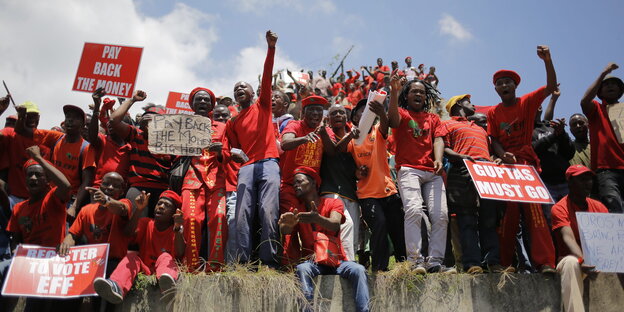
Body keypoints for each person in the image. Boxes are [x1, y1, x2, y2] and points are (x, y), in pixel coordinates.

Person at [487, 45, 558, 273]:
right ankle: (506, 264)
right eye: (500, 83)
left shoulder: (527, 102)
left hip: (527, 166)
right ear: (496, 89)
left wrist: (547, 60)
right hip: (507, 168)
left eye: (508, 81)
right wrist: (501, 154)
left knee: (535, 214)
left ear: (515, 86)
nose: (504, 85)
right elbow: (494, 139)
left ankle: (545, 262)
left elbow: (549, 87)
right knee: (508, 216)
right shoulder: (493, 113)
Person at [225, 30, 281, 267]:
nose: (239, 89)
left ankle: (269, 262)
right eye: (236, 88)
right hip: (247, 168)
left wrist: (270, 48)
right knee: (242, 216)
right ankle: (243, 263)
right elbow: (232, 151)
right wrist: (232, 154)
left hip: (269, 163)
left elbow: (267, 76)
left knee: (268, 212)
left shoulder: (263, 105)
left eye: (243, 87)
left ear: (252, 92)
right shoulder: (232, 122)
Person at [279, 167, 369, 312]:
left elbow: (334, 224)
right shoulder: (297, 210)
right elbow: (287, 231)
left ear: (313, 183)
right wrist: (285, 227)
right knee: (302, 268)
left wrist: (317, 218)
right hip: (313, 263)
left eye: (300, 181)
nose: (296, 185)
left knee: (358, 269)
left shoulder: (332, 202)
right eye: (294, 183)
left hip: (337, 261)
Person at [387, 75, 450, 273]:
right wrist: (394, 91)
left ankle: (435, 262)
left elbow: (439, 140)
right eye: (414, 91)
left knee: (441, 216)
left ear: (426, 97)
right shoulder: (403, 113)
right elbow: (392, 120)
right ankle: (415, 261)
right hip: (409, 170)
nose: (419, 94)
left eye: (422, 92)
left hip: (432, 172)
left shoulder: (434, 118)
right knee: (413, 211)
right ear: (407, 95)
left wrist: (438, 158)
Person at [443, 94, 508, 274]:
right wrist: (460, 157)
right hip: (462, 171)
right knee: (467, 219)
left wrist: (495, 159)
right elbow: (444, 148)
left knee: (489, 218)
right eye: (468, 101)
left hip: (486, 172)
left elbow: (489, 151)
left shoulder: (479, 128)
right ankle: (472, 263)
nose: (473, 104)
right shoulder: (447, 124)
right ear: (458, 104)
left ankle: (493, 262)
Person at [344, 99, 406, 272]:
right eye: (360, 112)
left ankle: (404, 265)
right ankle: (379, 268)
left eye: (368, 112)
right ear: (354, 118)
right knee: (379, 225)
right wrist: (356, 172)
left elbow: (385, 126)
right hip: (367, 194)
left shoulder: (378, 131)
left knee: (397, 227)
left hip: (388, 190)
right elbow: (345, 163)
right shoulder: (351, 139)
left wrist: (381, 113)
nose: (365, 115)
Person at [93, 190, 185, 304]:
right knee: (132, 256)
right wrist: (139, 209)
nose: (161, 207)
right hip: (145, 268)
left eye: (167, 205)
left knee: (165, 256)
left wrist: (177, 228)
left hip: (164, 272)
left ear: (173, 213)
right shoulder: (146, 223)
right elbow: (127, 233)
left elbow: (180, 252)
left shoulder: (175, 230)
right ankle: (116, 287)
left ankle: (168, 288)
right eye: (159, 203)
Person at [279, 95, 333, 264]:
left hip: (312, 190)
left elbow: (332, 152)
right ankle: (290, 265)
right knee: (292, 222)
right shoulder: (294, 125)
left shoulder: (326, 130)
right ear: (303, 113)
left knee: (311, 226)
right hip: (290, 186)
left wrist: (323, 134)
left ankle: (313, 262)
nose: (315, 114)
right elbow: (285, 143)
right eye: (311, 110)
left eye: (319, 110)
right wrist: (303, 138)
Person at [180, 87, 227, 271]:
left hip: (217, 180)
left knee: (220, 217)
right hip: (191, 180)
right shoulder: (181, 126)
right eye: (198, 100)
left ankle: (215, 266)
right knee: (191, 219)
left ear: (212, 106)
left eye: (206, 100)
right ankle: (191, 267)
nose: (202, 103)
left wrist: (221, 152)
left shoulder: (222, 127)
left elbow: (229, 153)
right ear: (191, 104)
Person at [551, 165, 608, 312]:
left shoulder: (600, 207)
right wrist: (583, 260)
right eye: (582, 179)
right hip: (571, 260)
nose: (588, 182)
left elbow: (609, 239)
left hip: (598, 261)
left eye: (589, 179)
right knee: (572, 262)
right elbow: (567, 237)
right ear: (570, 183)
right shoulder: (559, 208)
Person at [110, 90, 172, 217]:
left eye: (154, 121)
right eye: (146, 120)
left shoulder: (171, 142)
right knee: (136, 226)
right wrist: (132, 100)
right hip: (139, 187)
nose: (149, 125)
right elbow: (114, 120)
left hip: (163, 189)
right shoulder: (135, 134)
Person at [58, 172, 132, 276]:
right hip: (91, 261)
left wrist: (106, 201)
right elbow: (73, 235)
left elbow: (122, 209)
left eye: (115, 186)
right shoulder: (86, 210)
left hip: (113, 262)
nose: (110, 188)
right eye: (106, 184)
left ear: (121, 192)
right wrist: (65, 244)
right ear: (100, 186)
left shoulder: (125, 203)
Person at [580, 63, 624, 213]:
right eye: (606, 85)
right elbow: (584, 101)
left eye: (614, 84)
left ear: (620, 91)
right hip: (606, 170)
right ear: (600, 92)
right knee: (613, 207)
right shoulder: (596, 109)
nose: (610, 86)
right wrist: (603, 73)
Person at [319, 104, 359, 262]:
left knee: (354, 233)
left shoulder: (356, 139)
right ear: (328, 119)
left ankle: (350, 263)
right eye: (333, 113)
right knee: (346, 225)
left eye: (341, 112)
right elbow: (334, 150)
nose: (337, 115)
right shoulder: (325, 136)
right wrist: (350, 137)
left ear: (346, 117)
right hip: (331, 191)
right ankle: (346, 264)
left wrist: (359, 172)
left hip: (351, 193)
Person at [532, 87, 575, 205]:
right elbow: (535, 149)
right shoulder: (526, 131)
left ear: (540, 108)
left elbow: (570, 153)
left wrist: (562, 134)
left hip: (565, 182)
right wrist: (554, 136)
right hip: (543, 183)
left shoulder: (552, 127)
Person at [88, 88, 131, 189]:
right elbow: (92, 136)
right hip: (98, 190)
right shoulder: (103, 140)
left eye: (115, 123)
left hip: (119, 196)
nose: (109, 124)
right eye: (109, 122)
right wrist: (97, 107)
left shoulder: (131, 148)